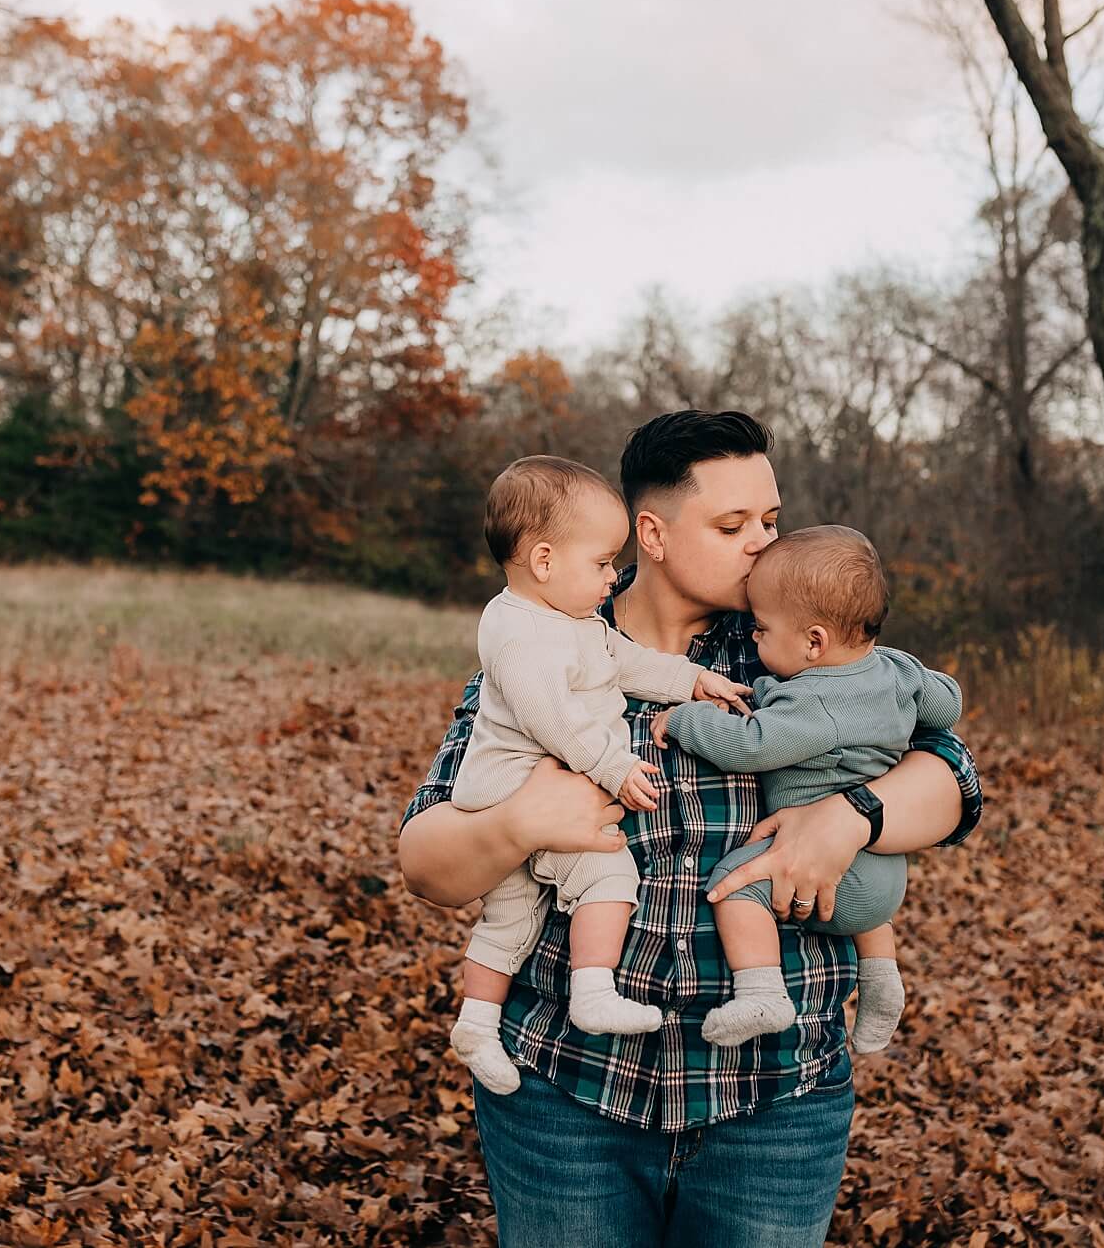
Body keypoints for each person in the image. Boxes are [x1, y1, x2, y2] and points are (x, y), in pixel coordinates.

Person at [397, 409, 983, 1247]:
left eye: (771, 520)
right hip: (569, 1099)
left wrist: (854, 816)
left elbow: (956, 779)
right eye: (734, 523)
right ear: (653, 532)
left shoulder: (795, 647)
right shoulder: (545, 654)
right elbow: (425, 860)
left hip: (774, 1102)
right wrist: (523, 820)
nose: (763, 544)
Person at [449, 454, 752, 1095]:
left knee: (509, 921)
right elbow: (551, 715)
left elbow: (629, 663)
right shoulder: (517, 631)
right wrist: (612, 767)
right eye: (601, 564)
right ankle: (593, 989)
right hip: (516, 786)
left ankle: (476, 1022)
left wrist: (691, 680)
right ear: (544, 562)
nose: (612, 576)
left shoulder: (576, 621)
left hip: (511, 789)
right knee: (609, 873)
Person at [652, 523, 962, 1054]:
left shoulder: (812, 702)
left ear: (813, 641)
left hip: (834, 881)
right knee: (859, 893)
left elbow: (749, 745)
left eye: (763, 630)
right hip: (884, 871)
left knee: (737, 880)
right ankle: (882, 981)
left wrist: (686, 719)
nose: (754, 636)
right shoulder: (894, 669)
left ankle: (762, 992)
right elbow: (946, 706)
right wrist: (909, 674)